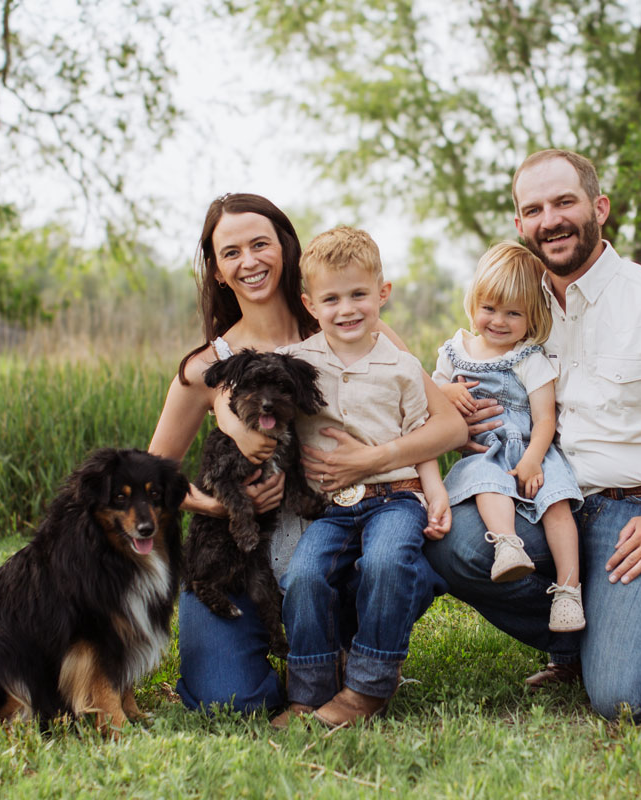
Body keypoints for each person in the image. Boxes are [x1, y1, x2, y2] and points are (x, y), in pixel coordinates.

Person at [423, 149, 641, 720]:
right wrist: (461, 419)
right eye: (533, 209)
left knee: (625, 699)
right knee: (453, 541)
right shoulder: (520, 311)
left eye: (565, 202)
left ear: (600, 207)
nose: (550, 220)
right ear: (520, 225)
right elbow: (475, 383)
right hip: (544, 498)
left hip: (639, 511)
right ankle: (576, 644)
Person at [149, 195, 465, 714]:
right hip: (237, 559)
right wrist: (217, 504)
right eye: (231, 253)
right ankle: (298, 665)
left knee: (385, 553)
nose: (248, 261)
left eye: (259, 244)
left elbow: (441, 422)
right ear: (218, 271)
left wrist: (374, 460)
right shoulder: (207, 367)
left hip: (339, 530)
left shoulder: (351, 323)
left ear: (286, 250)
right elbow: (153, 475)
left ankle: (352, 653)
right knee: (230, 701)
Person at [274, 226, 452, 728]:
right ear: (310, 304)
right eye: (331, 298)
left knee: (386, 560)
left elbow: (423, 433)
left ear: (383, 294)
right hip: (331, 504)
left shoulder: (401, 366)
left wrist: (433, 491)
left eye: (359, 294)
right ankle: (309, 694)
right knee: (304, 574)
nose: (346, 309)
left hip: (397, 496)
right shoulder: (298, 364)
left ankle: (368, 686)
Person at [432, 241, 585, 632]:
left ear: (531, 315)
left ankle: (569, 591)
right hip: (487, 453)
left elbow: (545, 419)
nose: (498, 321)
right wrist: (447, 392)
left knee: (556, 504)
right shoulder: (455, 352)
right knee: (487, 482)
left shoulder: (530, 358)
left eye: (513, 313)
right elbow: (429, 403)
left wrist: (533, 458)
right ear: (474, 302)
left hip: (531, 449)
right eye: (489, 308)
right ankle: (507, 544)